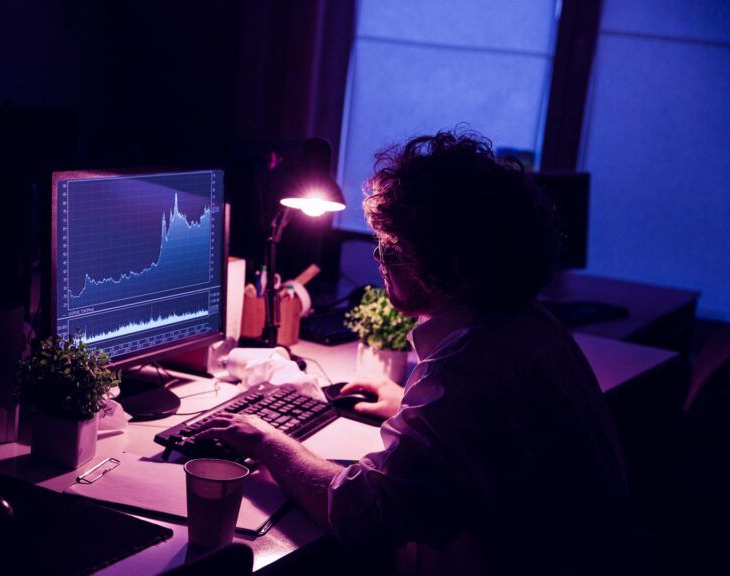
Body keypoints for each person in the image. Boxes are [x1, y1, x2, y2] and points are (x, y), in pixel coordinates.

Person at [197, 131, 646, 575]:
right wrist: (409, 404)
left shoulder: (468, 374)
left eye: (392, 249)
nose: (381, 260)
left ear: (447, 264)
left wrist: (267, 441)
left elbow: (363, 516)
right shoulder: (532, 326)